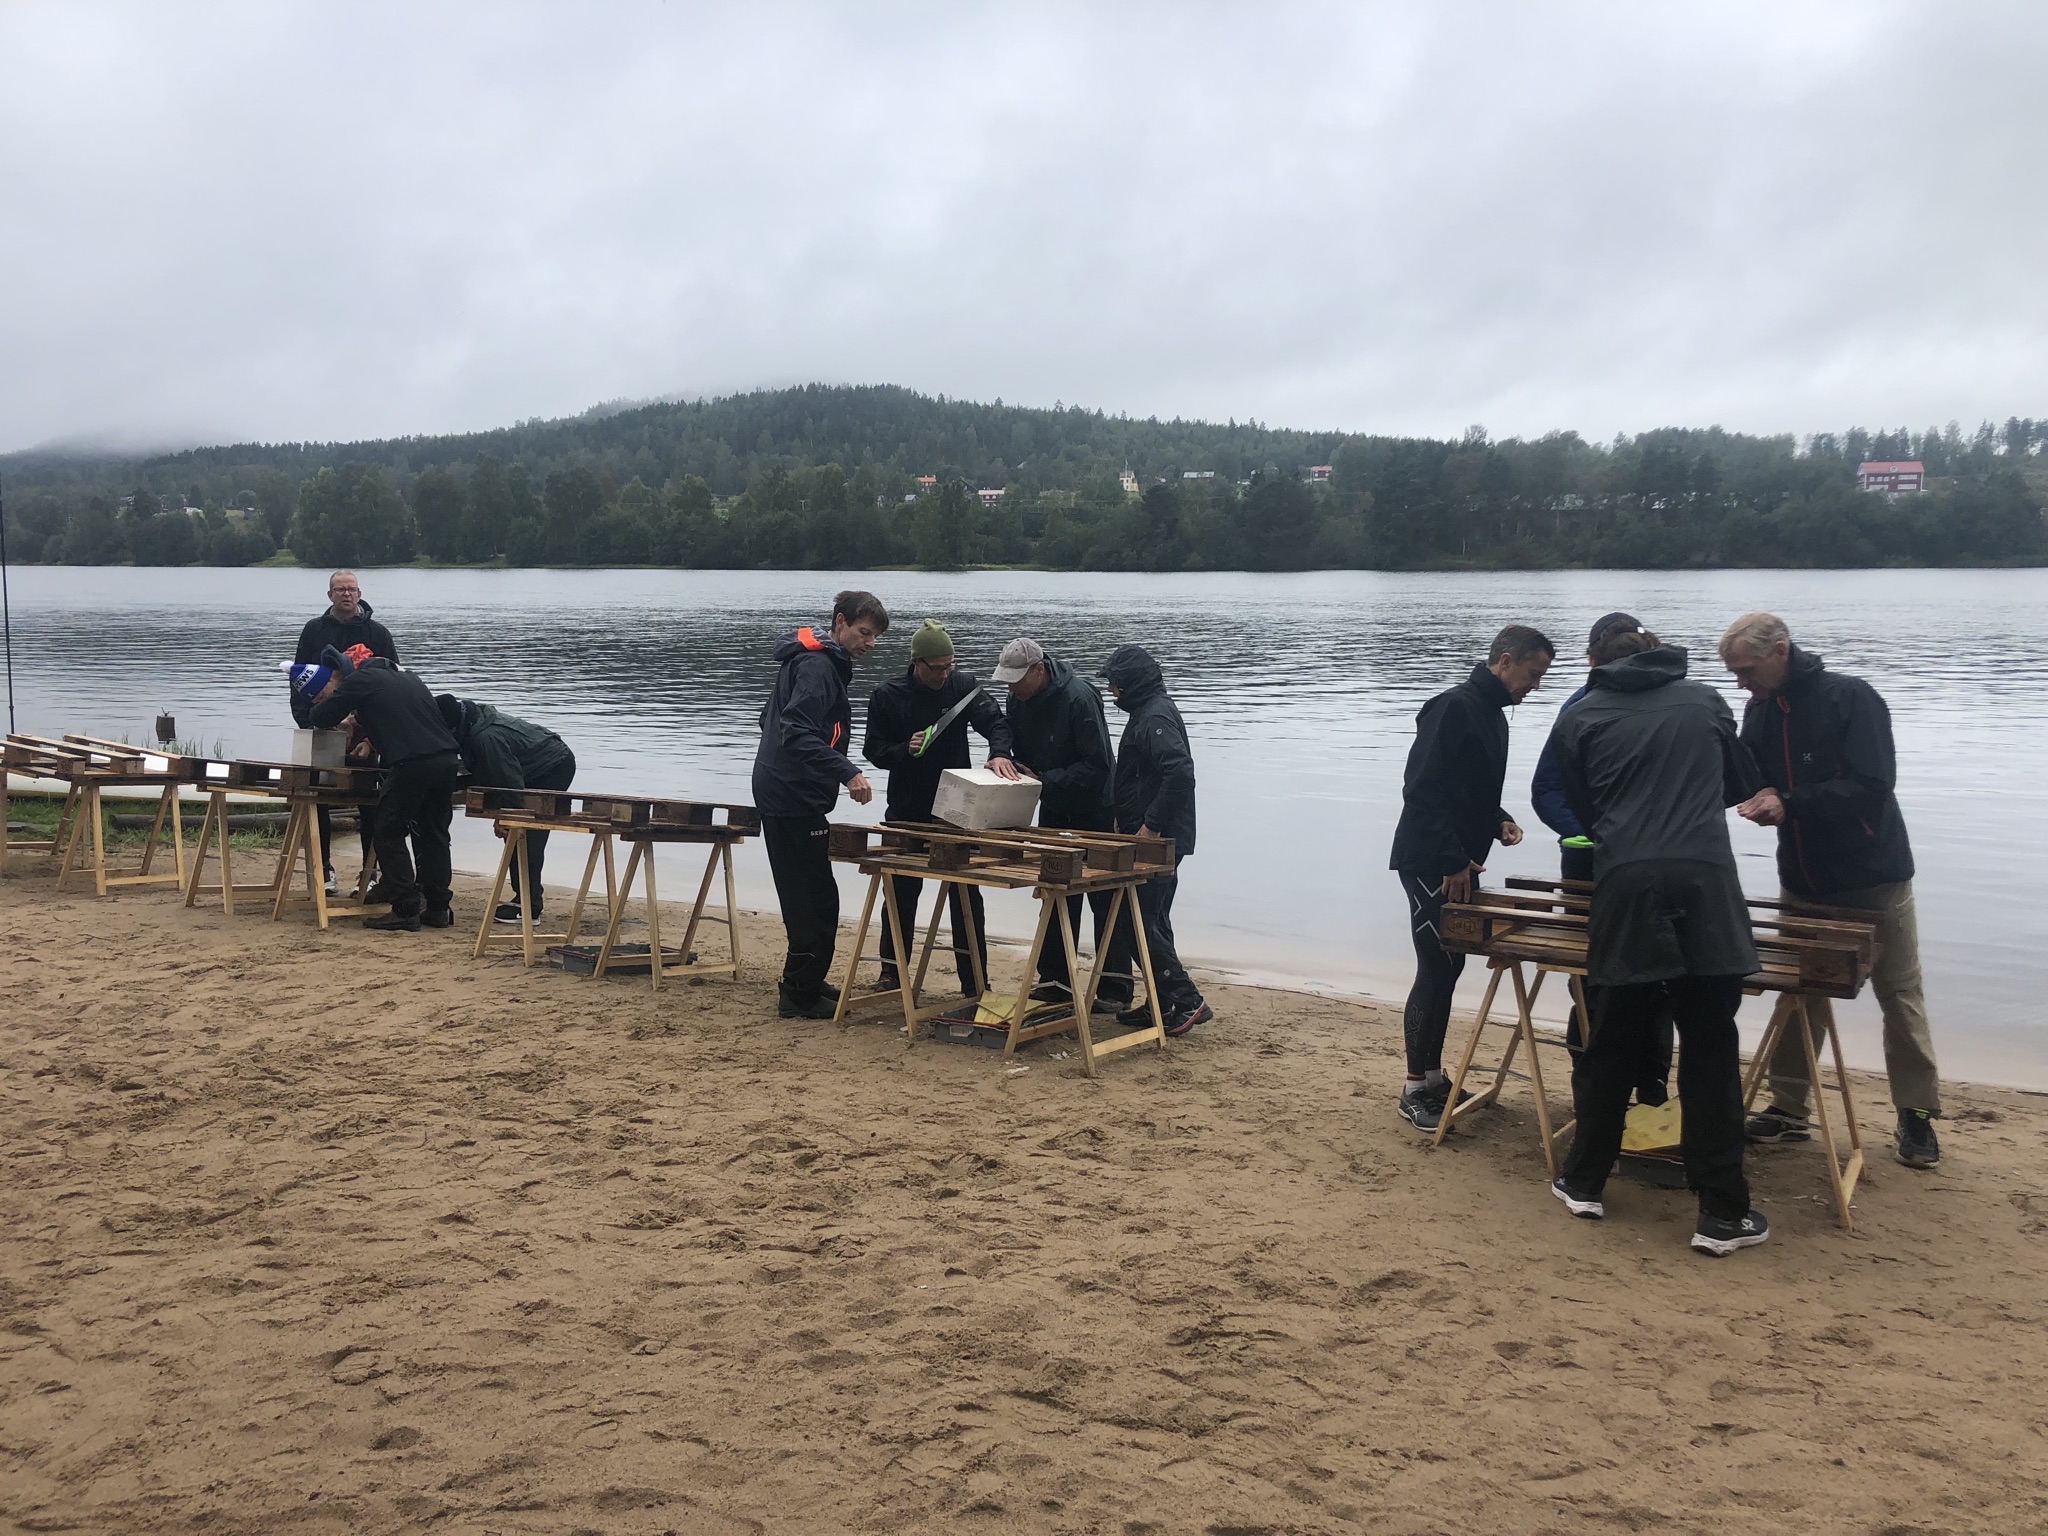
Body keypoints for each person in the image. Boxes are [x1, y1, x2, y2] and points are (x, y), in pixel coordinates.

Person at [1548, 627, 1772, 1256]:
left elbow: (1584, 805)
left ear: (1601, 664)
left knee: (1614, 1032)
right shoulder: (1705, 703)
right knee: (1709, 1043)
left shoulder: (1581, 715)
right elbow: (1741, 784)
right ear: (1662, 658)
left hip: (1625, 881)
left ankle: (1584, 1180)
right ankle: (1722, 1214)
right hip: (1705, 881)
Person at [1721, 612, 1942, 1169]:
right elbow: (1748, 776)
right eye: (1733, 673)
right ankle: (1789, 1109)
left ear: (1780, 652)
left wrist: (1788, 803)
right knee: (1801, 993)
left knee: (1899, 993)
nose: (1740, 683)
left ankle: (1917, 1116)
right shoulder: (1759, 709)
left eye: (1745, 670)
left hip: (1875, 876)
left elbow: (1873, 786)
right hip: (1803, 878)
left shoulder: (1852, 698)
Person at [1387, 625, 1552, 1131]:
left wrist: (1497, 818)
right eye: (1532, 674)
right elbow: (1422, 789)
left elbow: (1468, 788)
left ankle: (1436, 1078)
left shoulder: (1493, 714)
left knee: (1451, 967)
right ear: (1505, 661)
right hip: (1430, 862)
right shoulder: (1452, 707)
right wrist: (1452, 860)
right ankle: (1416, 1087)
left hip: (1461, 861)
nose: (1535, 686)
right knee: (1435, 967)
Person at [1531, 611, 1674, 1106]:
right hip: (1590, 864)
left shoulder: (1673, 707)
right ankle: (1587, 1073)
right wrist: (1586, 832)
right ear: (1593, 660)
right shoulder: (1578, 708)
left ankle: (1652, 1081)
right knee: (1591, 973)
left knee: (1658, 973)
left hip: (1658, 862)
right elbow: (1546, 789)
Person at [862, 619, 1020, 996]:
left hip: (956, 808)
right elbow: (874, 751)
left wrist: (999, 754)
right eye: (936, 668)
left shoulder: (962, 686)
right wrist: (904, 749)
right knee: (900, 892)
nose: (944, 674)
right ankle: (892, 974)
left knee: (965, 894)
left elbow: (998, 722)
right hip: (906, 806)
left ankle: (974, 981)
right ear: (916, 663)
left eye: (949, 666)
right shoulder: (887, 694)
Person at [752, 591, 888, 1020]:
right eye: (864, 633)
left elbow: (770, 719)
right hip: (790, 795)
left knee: (810, 894)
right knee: (814, 899)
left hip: (786, 788)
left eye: (876, 637)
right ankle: (797, 993)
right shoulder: (817, 665)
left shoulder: (813, 662)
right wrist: (846, 771)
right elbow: (795, 730)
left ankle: (806, 982)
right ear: (840, 622)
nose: (870, 643)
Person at [992, 636, 1129, 1012]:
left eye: (1018, 680)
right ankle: (1055, 981)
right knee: (1054, 892)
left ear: (1040, 670)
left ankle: (1115, 990)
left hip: (1096, 809)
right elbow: (1006, 732)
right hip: (1052, 806)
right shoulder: (1016, 697)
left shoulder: (1080, 698)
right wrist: (1000, 754)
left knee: (1106, 898)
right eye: (1007, 682)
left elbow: (1099, 766)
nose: (1012, 688)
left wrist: (1045, 779)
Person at [295, 651, 461, 933]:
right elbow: (398, 714)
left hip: (412, 762)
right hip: (447, 761)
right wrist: (361, 723)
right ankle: (437, 907)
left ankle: (406, 908)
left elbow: (321, 716)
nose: (323, 699)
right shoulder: (408, 679)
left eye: (322, 693)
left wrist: (331, 712)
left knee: (387, 830)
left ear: (335, 677)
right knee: (434, 833)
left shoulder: (361, 679)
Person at [1098, 645, 1211, 1036]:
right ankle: (1162, 1003)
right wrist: (1122, 814)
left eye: (1114, 682)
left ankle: (1188, 999)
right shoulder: (1146, 711)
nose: (1111, 690)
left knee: (1140, 920)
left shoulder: (1155, 715)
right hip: (1148, 833)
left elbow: (1180, 773)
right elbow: (1139, 774)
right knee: (1150, 919)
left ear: (1131, 683)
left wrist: (1151, 825)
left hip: (1160, 840)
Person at [291, 571, 400, 894]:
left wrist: (372, 736)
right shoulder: (314, 631)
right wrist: (309, 724)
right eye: (340, 590)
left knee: (370, 803)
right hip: (322, 727)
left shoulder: (377, 633)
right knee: (318, 802)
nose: (346, 595)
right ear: (329, 596)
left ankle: (371, 874)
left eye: (351, 589)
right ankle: (323, 871)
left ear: (360, 594)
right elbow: (298, 681)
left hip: (367, 732)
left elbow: (393, 683)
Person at [435, 694, 577, 923]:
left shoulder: (486, 738)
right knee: (516, 832)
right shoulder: (472, 721)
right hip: (528, 766)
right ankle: (522, 895)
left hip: (553, 766)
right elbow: (487, 773)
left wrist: (503, 818)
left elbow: (510, 785)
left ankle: (529, 908)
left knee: (526, 831)